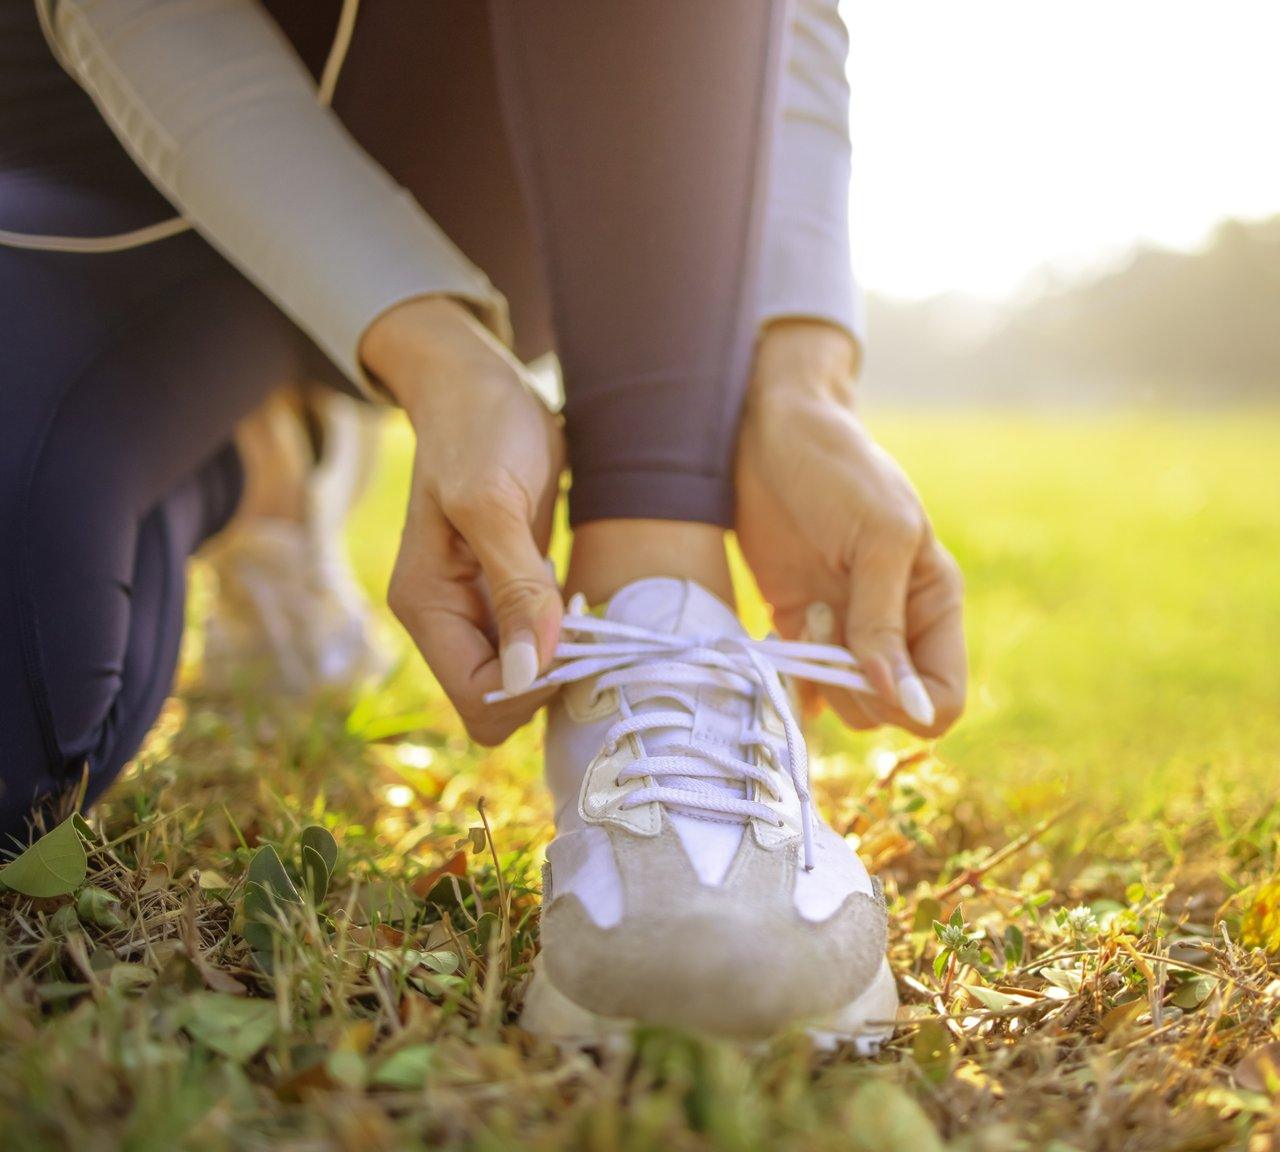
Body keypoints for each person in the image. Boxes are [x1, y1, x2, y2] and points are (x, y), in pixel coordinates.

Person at [0, 0, 966, 1051]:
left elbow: (787, 24)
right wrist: (435, 356)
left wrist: (801, 377)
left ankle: (655, 587)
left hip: (521, 151)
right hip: (87, 171)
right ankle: (261, 462)